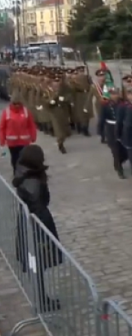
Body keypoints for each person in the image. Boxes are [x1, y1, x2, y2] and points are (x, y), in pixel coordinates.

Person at [13, 144, 62, 313]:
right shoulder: (33, 181)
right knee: (38, 261)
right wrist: (44, 233)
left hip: (29, 223)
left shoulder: (22, 171)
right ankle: (41, 300)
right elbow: (38, 204)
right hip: (36, 225)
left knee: (37, 264)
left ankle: (42, 296)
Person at [0, 93, 37, 173]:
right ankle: (16, 171)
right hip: (12, 142)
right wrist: (2, 140)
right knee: (15, 158)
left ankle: (24, 171)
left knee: (24, 157)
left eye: (18, 103)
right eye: (15, 103)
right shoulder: (6, 112)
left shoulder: (26, 111)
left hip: (24, 141)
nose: (17, 105)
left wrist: (33, 136)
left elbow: (31, 125)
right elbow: (2, 127)